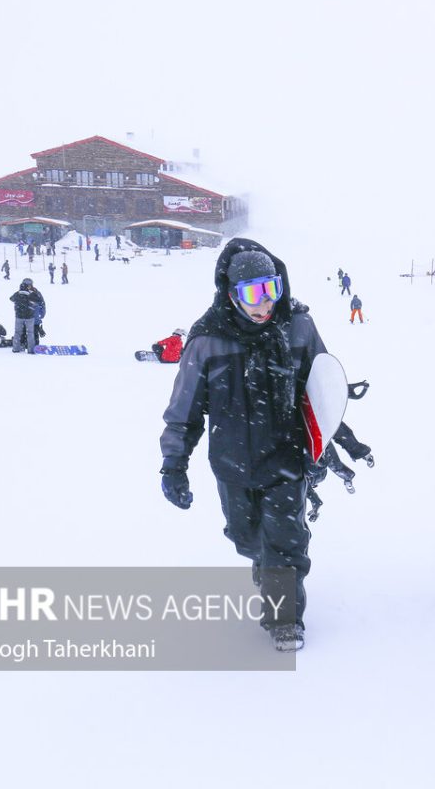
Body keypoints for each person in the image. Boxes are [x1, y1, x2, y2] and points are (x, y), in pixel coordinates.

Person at [160, 238, 335, 652]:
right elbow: (184, 409)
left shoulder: (298, 327)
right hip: (232, 460)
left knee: (286, 541)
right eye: (254, 294)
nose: (265, 304)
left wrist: (329, 444)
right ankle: (262, 558)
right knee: (246, 536)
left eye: (271, 290)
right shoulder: (207, 340)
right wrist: (173, 464)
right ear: (231, 294)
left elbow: (322, 390)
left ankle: (285, 619)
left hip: (287, 456)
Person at [10, 278, 43, 352]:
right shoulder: (31, 293)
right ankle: (31, 349)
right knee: (30, 333)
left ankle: (16, 348)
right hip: (29, 316)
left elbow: (11, 299)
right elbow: (39, 300)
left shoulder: (18, 293)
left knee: (17, 332)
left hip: (19, 316)